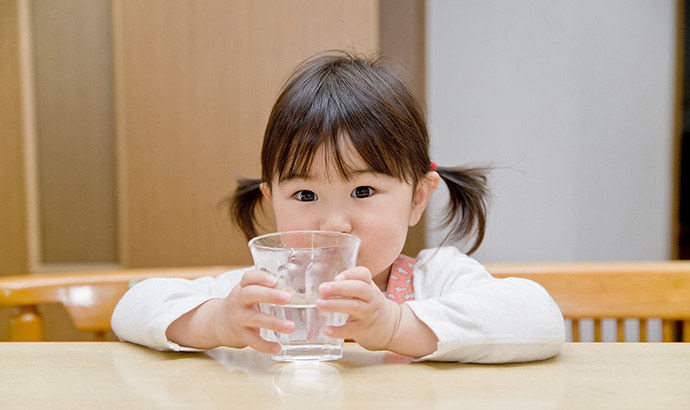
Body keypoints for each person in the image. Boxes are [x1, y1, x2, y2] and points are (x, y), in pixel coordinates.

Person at [112, 50, 564, 363]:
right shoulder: (265, 295)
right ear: (272, 201)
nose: (334, 224)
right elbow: (133, 307)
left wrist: (392, 324)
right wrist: (218, 321)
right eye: (305, 196)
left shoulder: (437, 280)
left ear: (417, 198)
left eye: (363, 192)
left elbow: (539, 320)